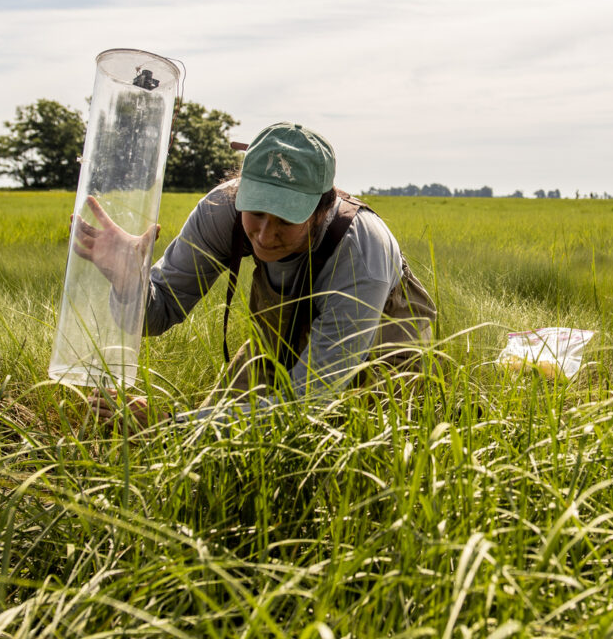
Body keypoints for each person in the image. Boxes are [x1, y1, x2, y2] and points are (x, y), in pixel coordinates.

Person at [72, 122, 436, 424]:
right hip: (282, 341)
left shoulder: (361, 252)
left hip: (381, 353)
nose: (264, 234)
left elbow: (310, 403)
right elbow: (157, 314)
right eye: (256, 211)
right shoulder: (220, 210)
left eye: (285, 219)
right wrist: (128, 280)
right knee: (199, 451)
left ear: (321, 209)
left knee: (342, 446)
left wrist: (170, 420)